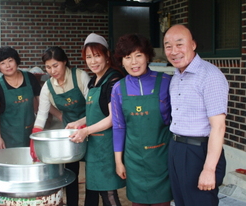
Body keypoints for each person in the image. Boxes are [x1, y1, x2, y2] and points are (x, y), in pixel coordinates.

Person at [163, 24, 228, 206]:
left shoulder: (210, 75)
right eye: (168, 46)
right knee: (181, 202)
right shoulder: (176, 77)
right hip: (176, 148)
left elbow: (218, 126)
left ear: (193, 45)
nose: (173, 51)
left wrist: (209, 169)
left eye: (179, 44)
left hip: (198, 152)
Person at [111, 33, 173, 206]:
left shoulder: (166, 81)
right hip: (134, 160)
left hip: (162, 158)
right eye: (127, 57)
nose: (134, 62)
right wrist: (118, 162)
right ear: (121, 61)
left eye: (138, 55)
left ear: (147, 56)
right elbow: (118, 127)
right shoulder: (118, 88)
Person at [67, 33, 126, 206]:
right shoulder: (94, 81)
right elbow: (97, 112)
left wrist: (85, 130)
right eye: (89, 57)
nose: (93, 61)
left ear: (107, 55)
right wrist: (79, 122)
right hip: (95, 146)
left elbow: (113, 118)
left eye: (97, 56)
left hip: (107, 147)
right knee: (93, 190)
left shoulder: (114, 79)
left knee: (107, 191)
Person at [32, 46, 90, 206]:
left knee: (92, 175)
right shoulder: (48, 87)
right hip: (69, 133)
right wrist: (34, 138)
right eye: (48, 67)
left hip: (91, 127)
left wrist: (82, 123)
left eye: (56, 65)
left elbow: (94, 108)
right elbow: (42, 115)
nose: (52, 70)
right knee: (71, 173)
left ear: (64, 62)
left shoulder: (80, 76)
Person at [0, 46, 41, 149]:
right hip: (8, 136)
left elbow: (41, 103)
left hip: (31, 132)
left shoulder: (30, 78)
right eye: (2, 63)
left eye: (10, 61)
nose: (8, 66)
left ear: (16, 61)